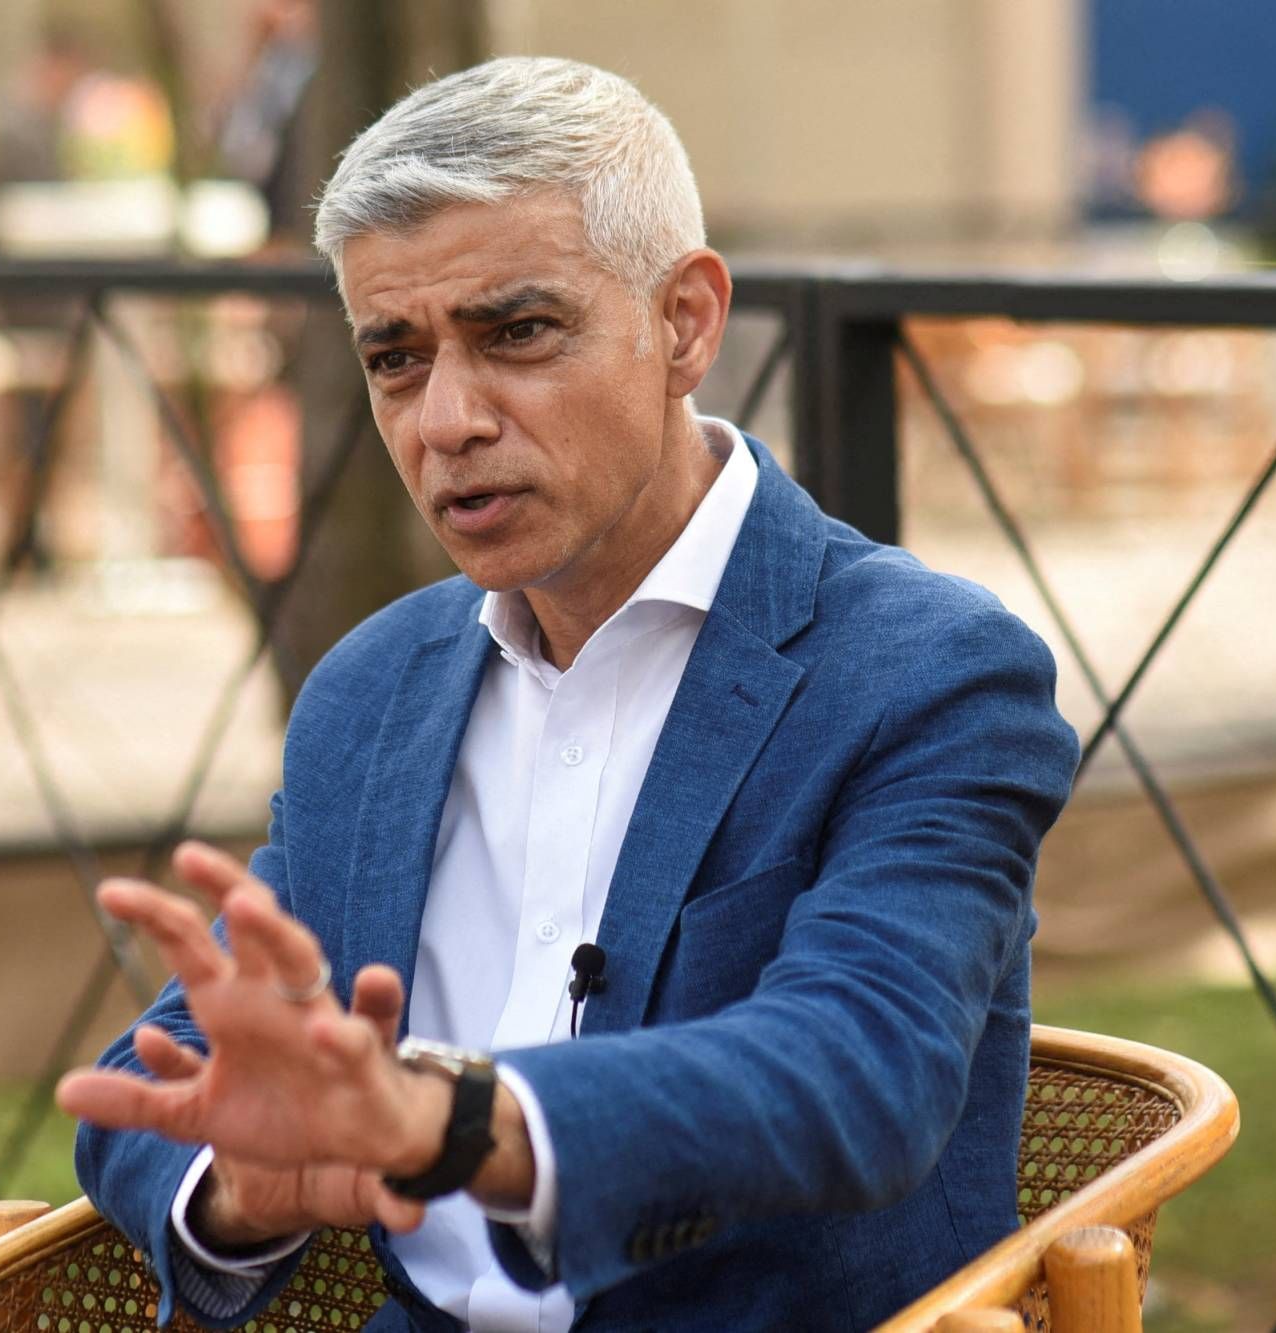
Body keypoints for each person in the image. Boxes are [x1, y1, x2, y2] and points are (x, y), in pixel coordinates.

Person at [58, 57, 1080, 1331]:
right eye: (394, 358)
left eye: (516, 333)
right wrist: (243, 1185)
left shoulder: (926, 671)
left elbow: (856, 1076)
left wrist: (448, 1119)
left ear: (684, 324)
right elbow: (163, 1083)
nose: (445, 420)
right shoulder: (370, 693)